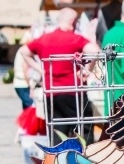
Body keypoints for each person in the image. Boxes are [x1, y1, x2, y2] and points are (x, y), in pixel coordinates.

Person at [21, 8, 100, 142]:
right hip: (74, 92)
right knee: (83, 129)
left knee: (56, 132)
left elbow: (24, 51)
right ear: (72, 21)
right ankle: (85, 160)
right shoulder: (76, 39)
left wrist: (40, 69)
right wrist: (86, 70)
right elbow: (95, 51)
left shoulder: (44, 39)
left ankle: (58, 160)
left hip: (52, 93)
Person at [13, 32, 35, 110]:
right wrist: (30, 84)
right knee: (31, 107)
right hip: (23, 83)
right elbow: (25, 69)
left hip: (19, 82)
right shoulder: (26, 51)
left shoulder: (21, 50)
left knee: (26, 109)